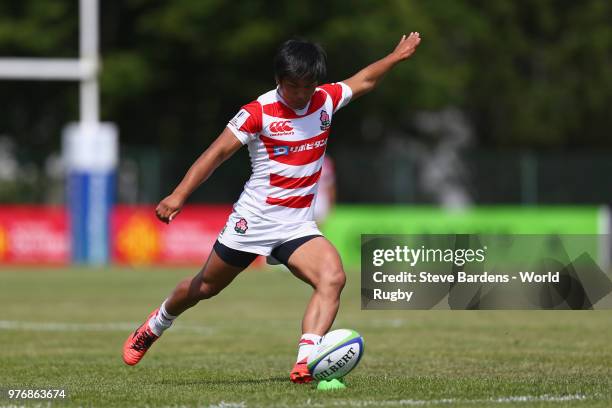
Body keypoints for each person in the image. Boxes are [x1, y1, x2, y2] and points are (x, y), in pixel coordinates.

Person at [122, 32, 421, 383]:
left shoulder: (325, 100)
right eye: (295, 87)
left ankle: (305, 362)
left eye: (309, 86)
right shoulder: (257, 112)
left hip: (296, 226)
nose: (303, 94)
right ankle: (156, 324)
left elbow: (365, 79)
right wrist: (178, 195)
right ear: (279, 81)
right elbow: (215, 154)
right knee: (204, 287)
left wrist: (395, 56)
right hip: (255, 221)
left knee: (333, 277)